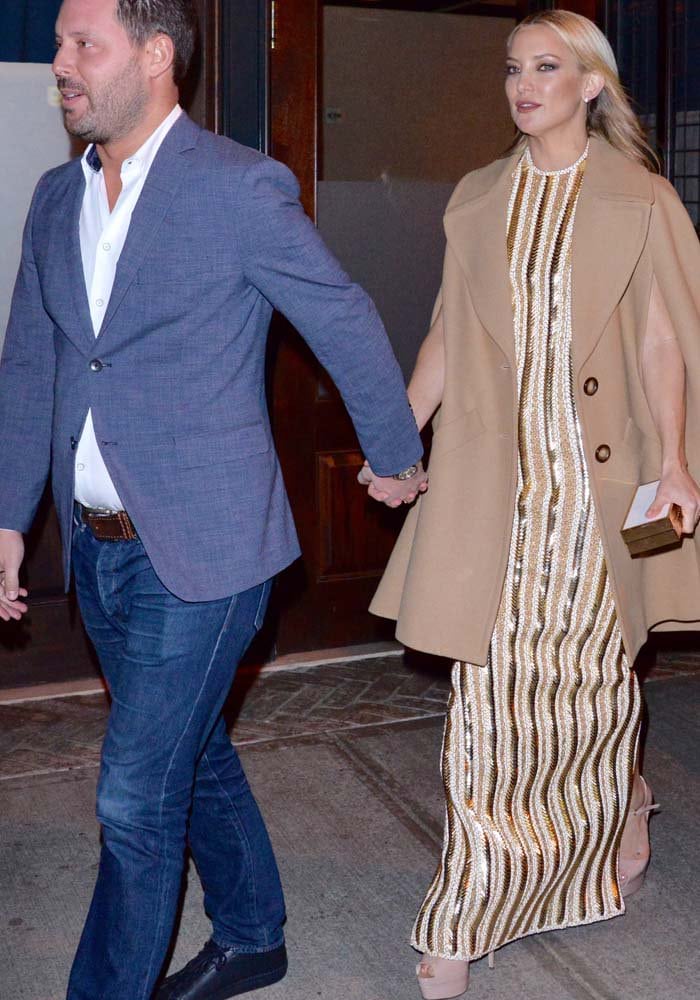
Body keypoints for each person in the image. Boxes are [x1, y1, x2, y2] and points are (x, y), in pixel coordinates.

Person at [0, 1, 428, 998]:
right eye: (60, 41)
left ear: (155, 56)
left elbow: (342, 316)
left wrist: (394, 450)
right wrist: (9, 521)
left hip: (208, 547)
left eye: (81, 43)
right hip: (101, 551)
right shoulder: (56, 200)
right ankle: (252, 934)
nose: (59, 61)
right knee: (187, 749)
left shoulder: (238, 187)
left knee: (134, 795)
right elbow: (32, 363)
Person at [364, 10, 700, 999]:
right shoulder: (479, 197)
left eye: (546, 68)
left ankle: (619, 805)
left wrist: (676, 463)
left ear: (591, 83)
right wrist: (395, 442)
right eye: (513, 68)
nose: (523, 85)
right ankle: (464, 913)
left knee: (590, 699)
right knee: (488, 714)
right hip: (493, 500)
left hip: (602, 499)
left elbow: (661, 343)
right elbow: (439, 341)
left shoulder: (638, 197)